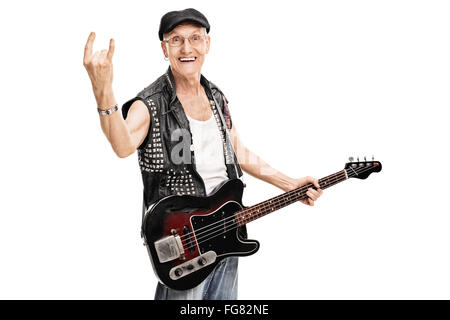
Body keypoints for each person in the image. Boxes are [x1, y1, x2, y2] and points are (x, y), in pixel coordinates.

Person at [83, 8, 323, 300]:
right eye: (176, 39)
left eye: (195, 38)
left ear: (207, 44)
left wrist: (290, 184)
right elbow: (122, 145)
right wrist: (103, 91)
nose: (187, 48)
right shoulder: (150, 104)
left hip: (227, 229)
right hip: (183, 238)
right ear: (164, 48)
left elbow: (238, 151)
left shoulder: (217, 97)